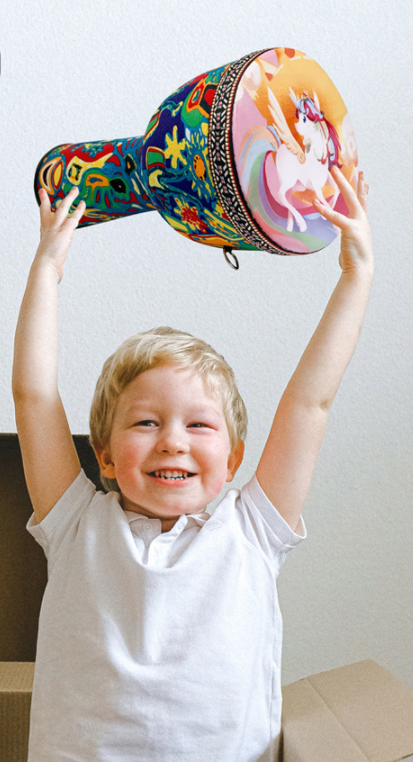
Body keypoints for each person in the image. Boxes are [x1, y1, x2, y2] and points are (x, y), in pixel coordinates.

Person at [12, 167, 373, 762]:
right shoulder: (77, 524)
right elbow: (34, 396)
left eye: (198, 425)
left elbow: (310, 403)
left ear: (233, 459)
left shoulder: (252, 530)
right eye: (145, 423)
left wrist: (356, 275)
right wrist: (46, 269)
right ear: (104, 454)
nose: (172, 442)